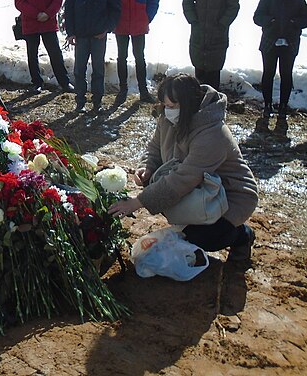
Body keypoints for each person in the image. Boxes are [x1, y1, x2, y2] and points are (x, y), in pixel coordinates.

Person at [108, 73, 258, 262]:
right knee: (153, 184)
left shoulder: (212, 133)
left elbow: (184, 178)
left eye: (173, 106)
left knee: (201, 239)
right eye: (165, 106)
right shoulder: (169, 118)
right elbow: (155, 147)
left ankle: (241, 235)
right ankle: (192, 222)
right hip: (198, 188)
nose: (168, 111)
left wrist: (137, 202)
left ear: (189, 103)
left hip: (229, 195)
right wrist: (146, 166)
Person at [63, 0, 121, 114]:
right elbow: (69, 6)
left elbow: (115, 8)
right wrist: (71, 32)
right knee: (79, 70)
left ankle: (97, 102)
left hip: (99, 33)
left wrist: (107, 28)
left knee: (98, 70)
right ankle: (80, 101)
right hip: (80, 34)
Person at [252, 0, 307, 118]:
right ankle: (267, 104)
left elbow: (306, 19)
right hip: (269, 42)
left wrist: (294, 22)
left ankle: (283, 105)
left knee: (286, 74)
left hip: (290, 42)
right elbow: (257, 17)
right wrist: (270, 21)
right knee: (268, 73)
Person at [14, 0, 74, 94]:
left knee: (55, 53)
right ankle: (37, 83)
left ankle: (64, 82)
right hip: (30, 22)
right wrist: (36, 14)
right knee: (32, 54)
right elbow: (19, 2)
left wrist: (47, 13)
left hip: (48, 22)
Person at [182, 0, 240, 92]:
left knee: (214, 71)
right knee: (199, 68)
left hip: (218, 32)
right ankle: (197, 103)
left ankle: (213, 103)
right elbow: (187, 2)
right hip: (198, 31)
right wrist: (194, 21)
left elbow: (233, 6)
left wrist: (222, 24)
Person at [112, 0, 160, 104]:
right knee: (122, 57)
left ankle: (143, 91)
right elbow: (110, 1)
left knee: (140, 57)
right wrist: (114, 19)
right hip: (121, 23)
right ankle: (123, 89)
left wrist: (147, 17)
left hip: (139, 23)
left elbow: (154, 0)